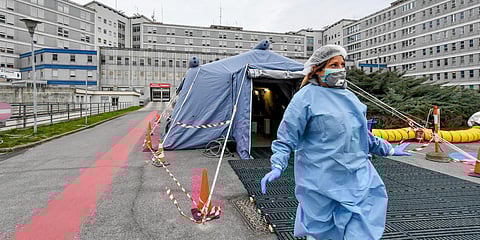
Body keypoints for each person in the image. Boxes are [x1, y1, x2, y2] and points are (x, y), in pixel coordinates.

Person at [260, 45, 411, 240]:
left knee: (363, 225)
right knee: (322, 231)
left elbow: (362, 135)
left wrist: (388, 149)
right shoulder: (304, 99)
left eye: (342, 64)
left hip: (357, 177)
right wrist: (278, 165)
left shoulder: (351, 98)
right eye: (334, 64)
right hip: (321, 180)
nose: (340, 69)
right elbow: (286, 137)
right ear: (318, 69)